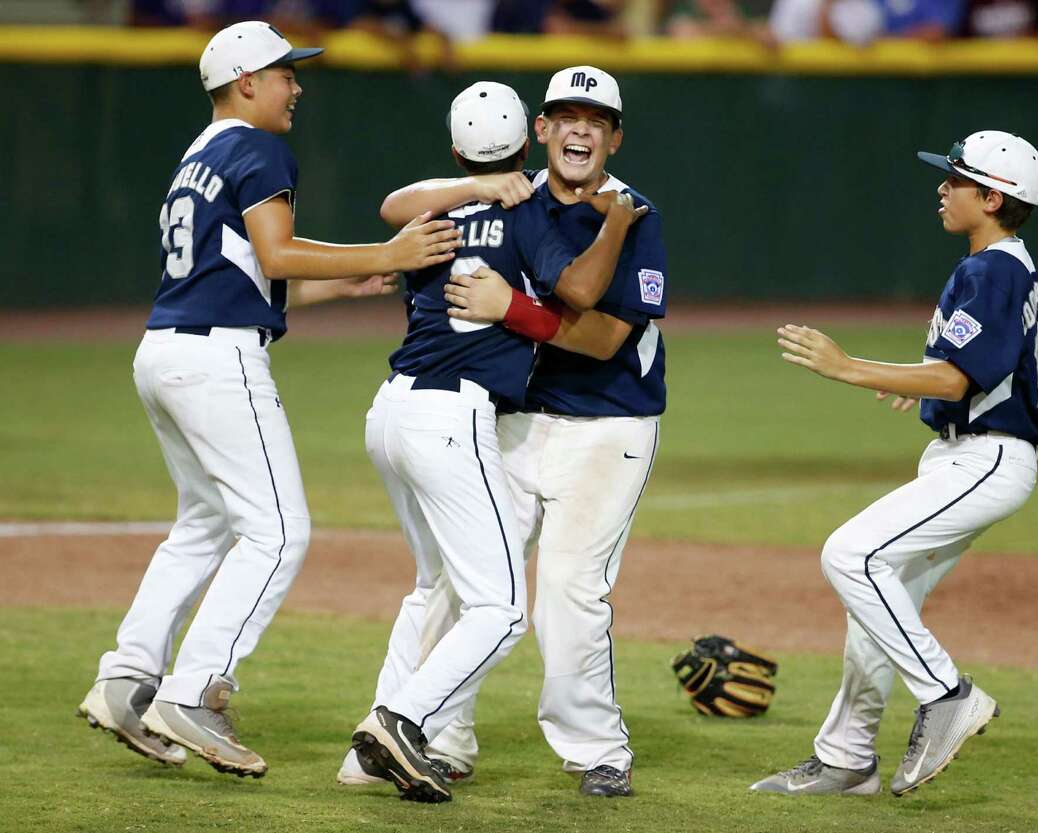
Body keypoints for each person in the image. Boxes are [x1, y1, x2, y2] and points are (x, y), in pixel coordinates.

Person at [76, 20, 462, 779]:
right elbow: (278, 252)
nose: (297, 85)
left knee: (204, 523)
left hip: (165, 350)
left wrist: (341, 281)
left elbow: (247, 273)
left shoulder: (199, 153)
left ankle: (127, 677)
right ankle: (189, 693)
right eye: (286, 73)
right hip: (216, 361)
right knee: (278, 532)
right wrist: (386, 253)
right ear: (246, 81)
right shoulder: (258, 146)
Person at [344, 65, 667, 798]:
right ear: (540, 131)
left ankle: (595, 751)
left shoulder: (634, 213)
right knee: (465, 582)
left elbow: (607, 338)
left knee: (567, 588)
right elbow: (398, 203)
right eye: (566, 115)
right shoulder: (509, 197)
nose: (580, 128)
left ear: (614, 138)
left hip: (608, 423)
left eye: (597, 119)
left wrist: (509, 309)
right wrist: (479, 188)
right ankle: (431, 730)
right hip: (512, 420)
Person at [750, 130, 1038, 798]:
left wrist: (848, 367)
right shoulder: (1015, 268)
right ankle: (847, 757)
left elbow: (957, 380)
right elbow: (992, 367)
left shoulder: (992, 268)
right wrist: (919, 377)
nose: (942, 189)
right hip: (970, 455)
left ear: (991, 196)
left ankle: (946, 693)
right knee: (880, 600)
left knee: (850, 554)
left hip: (983, 459)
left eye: (955, 180)